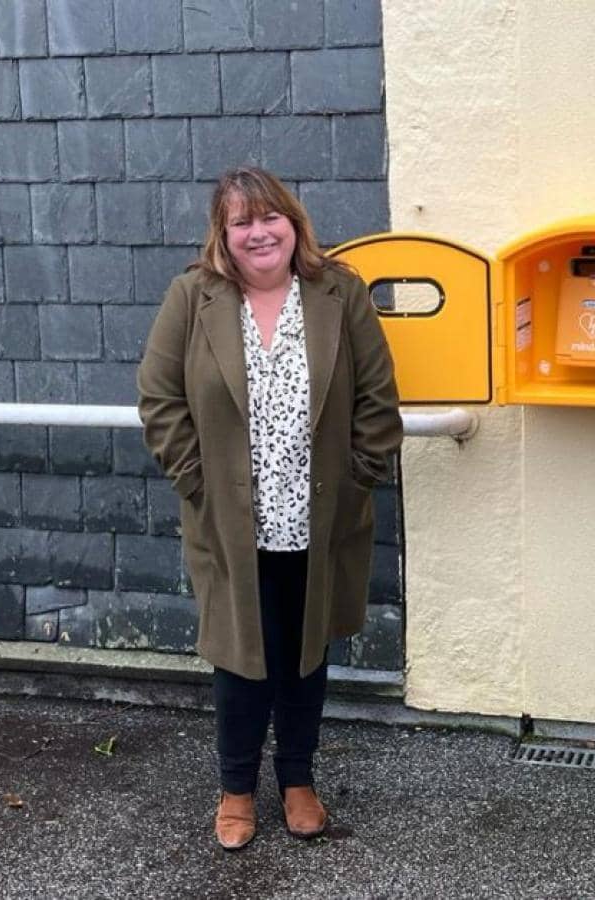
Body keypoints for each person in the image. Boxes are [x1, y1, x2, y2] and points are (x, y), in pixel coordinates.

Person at [137, 166, 402, 850]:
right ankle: (235, 791)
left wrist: (357, 483)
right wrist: (194, 480)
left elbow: (378, 400)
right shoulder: (192, 298)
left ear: (293, 222)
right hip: (230, 527)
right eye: (242, 222)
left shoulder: (339, 294)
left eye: (270, 217)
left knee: (304, 656)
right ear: (223, 234)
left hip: (320, 521)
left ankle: (298, 781)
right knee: (240, 660)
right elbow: (159, 399)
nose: (259, 233)